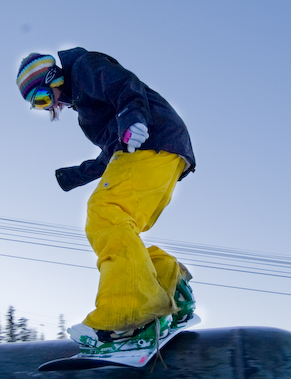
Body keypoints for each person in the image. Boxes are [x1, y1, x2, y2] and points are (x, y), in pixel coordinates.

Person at [16, 47, 196, 354]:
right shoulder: (86, 113)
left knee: (105, 212)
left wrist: (133, 117)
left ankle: (128, 316)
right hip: (167, 153)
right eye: (39, 106)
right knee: (121, 226)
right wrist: (75, 175)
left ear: (53, 77)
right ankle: (170, 287)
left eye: (45, 98)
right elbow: (112, 151)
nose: (49, 108)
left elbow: (125, 85)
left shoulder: (85, 68)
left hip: (153, 142)